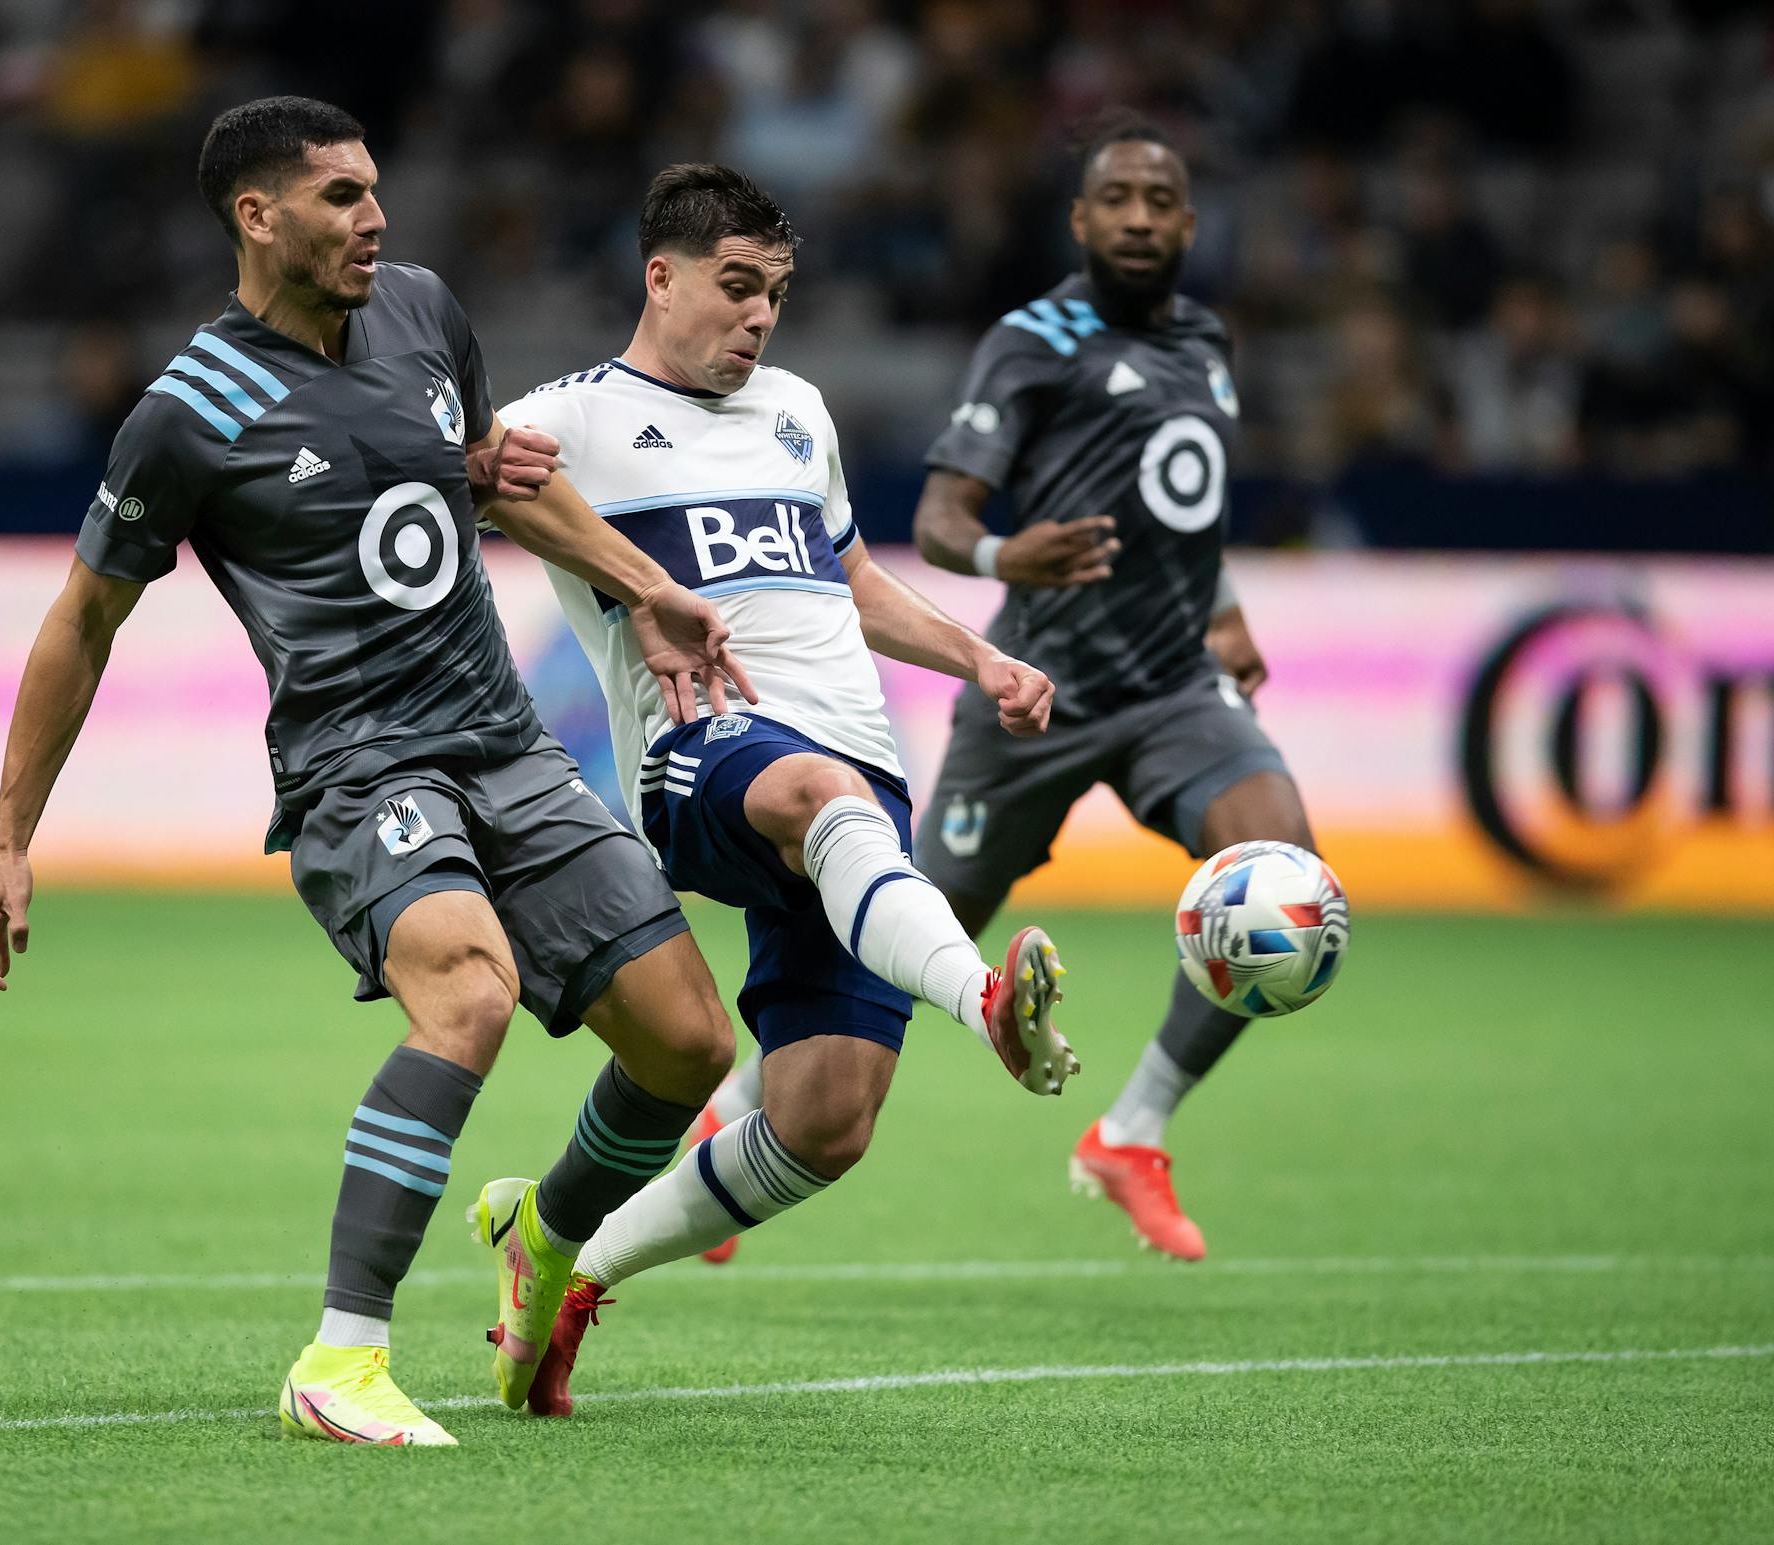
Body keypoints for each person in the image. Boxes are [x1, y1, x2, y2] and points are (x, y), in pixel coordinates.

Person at [0, 97, 758, 1447]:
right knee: (469, 991)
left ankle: (544, 1233)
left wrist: (645, 587)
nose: (375, 216)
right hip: (358, 763)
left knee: (689, 1043)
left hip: (503, 740)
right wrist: (6, 840)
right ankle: (342, 1359)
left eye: (375, 188)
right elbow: (83, 620)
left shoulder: (424, 312)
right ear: (256, 216)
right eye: (339, 196)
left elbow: (490, 476)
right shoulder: (189, 416)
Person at [486, 163, 1081, 1416]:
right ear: (662, 278)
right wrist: (589, 550)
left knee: (825, 1122)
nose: (759, 316)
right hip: (703, 751)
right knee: (815, 793)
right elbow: (466, 479)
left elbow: (849, 577)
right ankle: (986, 1002)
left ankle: (573, 1265)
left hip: (855, 774)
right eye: (737, 286)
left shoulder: (799, 412)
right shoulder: (570, 417)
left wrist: (979, 656)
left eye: (777, 294)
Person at [910, 116, 1320, 1261]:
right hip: (1037, 693)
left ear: (1188, 224)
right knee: (910, 941)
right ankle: (736, 1111)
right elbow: (939, 519)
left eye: (1160, 200)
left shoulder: (1207, 339)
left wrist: (1221, 606)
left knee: (1284, 882)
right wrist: (1007, 555)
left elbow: (1179, 503)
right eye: (1118, 200)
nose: (1140, 218)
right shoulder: (1031, 341)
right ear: (1081, 220)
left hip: (1176, 686)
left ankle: (1131, 1131)